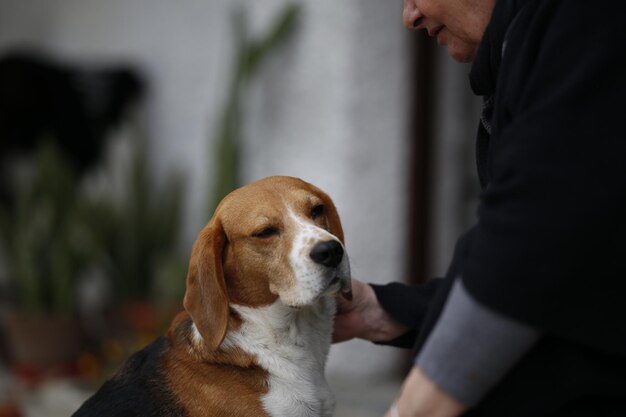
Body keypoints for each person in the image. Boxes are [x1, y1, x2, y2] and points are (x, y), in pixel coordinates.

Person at [333, 0, 626, 416]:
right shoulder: (522, 51)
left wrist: (415, 408)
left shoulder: (583, 18)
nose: (410, 17)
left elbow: (533, 239)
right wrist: (377, 311)